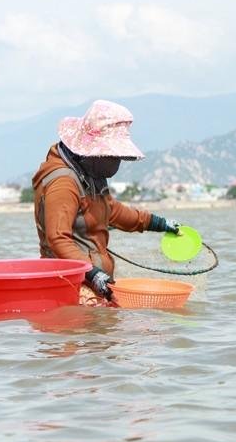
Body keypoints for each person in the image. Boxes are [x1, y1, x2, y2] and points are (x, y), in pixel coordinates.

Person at [31, 99, 182, 305]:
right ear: (92, 152)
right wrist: (93, 274)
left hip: (92, 283)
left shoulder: (88, 174)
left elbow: (112, 211)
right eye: (112, 154)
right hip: (69, 284)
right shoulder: (63, 182)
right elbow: (58, 239)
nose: (116, 160)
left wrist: (158, 223)